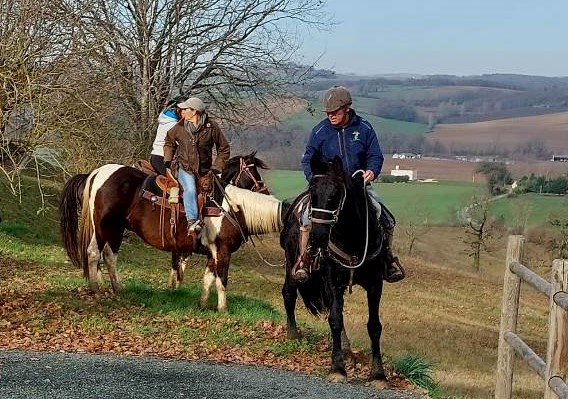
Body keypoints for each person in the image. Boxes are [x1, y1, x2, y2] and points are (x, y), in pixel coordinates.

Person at [296, 85, 405, 283]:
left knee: (385, 216)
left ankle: (387, 260)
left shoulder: (364, 128)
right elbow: (307, 159)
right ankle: (304, 259)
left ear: (347, 108)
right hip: (328, 190)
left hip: (358, 187)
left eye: (335, 112)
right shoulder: (320, 131)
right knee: (305, 218)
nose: (331, 116)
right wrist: (314, 180)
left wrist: (372, 170)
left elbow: (375, 156)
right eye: (328, 113)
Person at [163, 97, 230, 233]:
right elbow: (169, 141)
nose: (182, 111)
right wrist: (168, 159)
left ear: (194, 112)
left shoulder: (211, 127)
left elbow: (224, 148)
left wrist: (216, 168)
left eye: (186, 109)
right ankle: (192, 221)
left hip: (206, 171)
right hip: (185, 168)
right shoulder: (180, 127)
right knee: (190, 189)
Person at [150, 95, 187, 175]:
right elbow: (182, 144)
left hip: (155, 155)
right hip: (164, 157)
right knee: (178, 183)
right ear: (178, 110)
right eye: (184, 110)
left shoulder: (165, 120)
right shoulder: (174, 125)